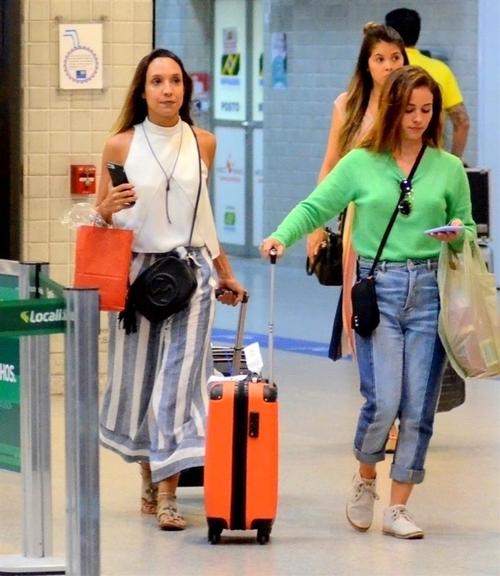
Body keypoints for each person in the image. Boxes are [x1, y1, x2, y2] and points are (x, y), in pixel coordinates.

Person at [261, 65, 476, 539]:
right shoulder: (361, 162)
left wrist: (459, 234)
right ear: (392, 109)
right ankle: (364, 476)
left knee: (419, 406)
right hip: (379, 291)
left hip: (430, 291)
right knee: (383, 401)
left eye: (427, 111)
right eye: (409, 110)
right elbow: (317, 206)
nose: (418, 120)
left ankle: (399, 506)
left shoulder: (448, 168)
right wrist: (282, 235)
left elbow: (468, 225)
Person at [94, 48, 245, 531]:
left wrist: (223, 270)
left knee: (178, 385)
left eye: (175, 81)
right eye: (157, 81)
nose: (167, 90)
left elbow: (203, 215)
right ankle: (149, 473)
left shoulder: (203, 142)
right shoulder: (120, 145)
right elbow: (101, 218)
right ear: (143, 90)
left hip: (191, 274)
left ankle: (167, 495)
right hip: (139, 277)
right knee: (141, 383)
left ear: (186, 88)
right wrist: (105, 208)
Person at [307, 23, 408, 361]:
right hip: (361, 219)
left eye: (395, 58)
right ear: (367, 64)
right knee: (364, 303)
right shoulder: (348, 105)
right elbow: (330, 167)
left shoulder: (415, 104)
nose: (389, 66)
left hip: (407, 215)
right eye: (380, 58)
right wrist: (315, 226)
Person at [385, 7, 470, 159]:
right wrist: (455, 161)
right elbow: (462, 122)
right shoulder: (441, 70)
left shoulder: (385, 70)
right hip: (431, 159)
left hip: (388, 157)